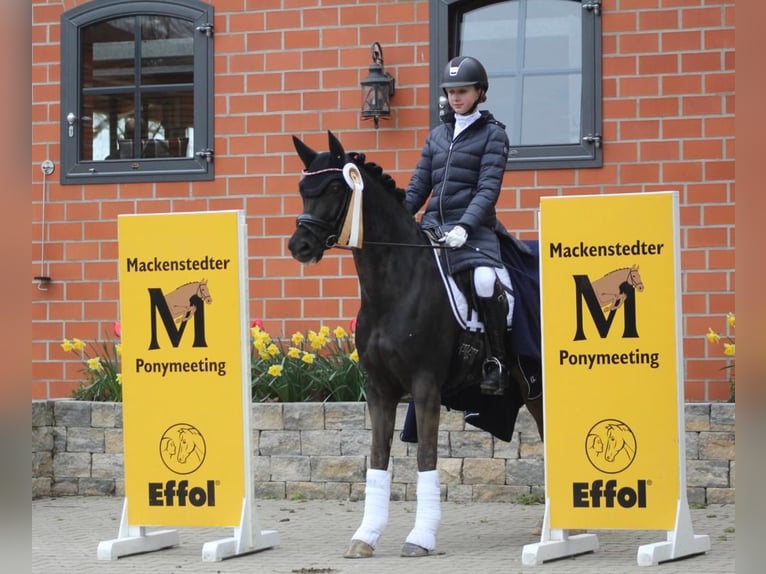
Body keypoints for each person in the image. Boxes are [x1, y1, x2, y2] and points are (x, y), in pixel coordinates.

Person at [404, 55, 512, 396]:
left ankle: (496, 360)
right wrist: (400, 217)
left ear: (480, 93)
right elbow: (419, 185)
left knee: (483, 280)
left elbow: (488, 189)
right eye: (451, 92)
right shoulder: (437, 136)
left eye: (462, 91)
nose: (455, 98)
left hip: (475, 230)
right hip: (433, 226)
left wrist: (465, 226)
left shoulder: (494, 136)